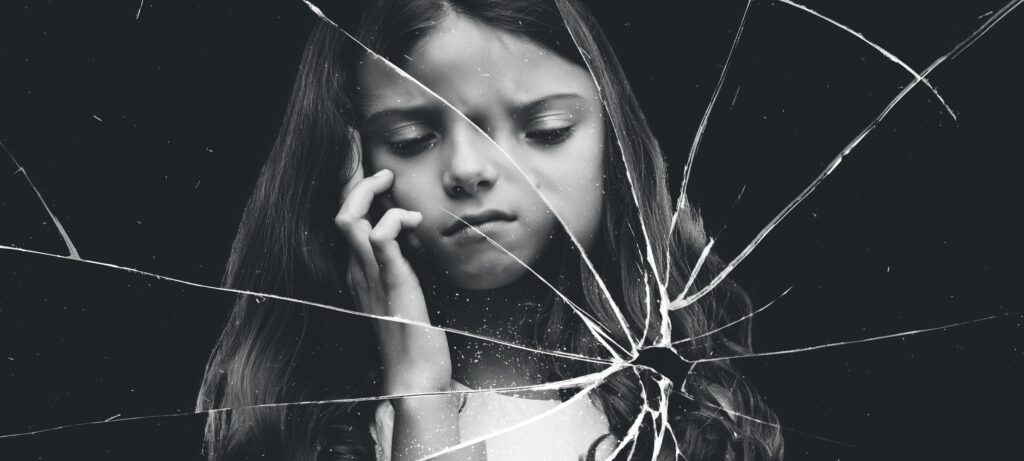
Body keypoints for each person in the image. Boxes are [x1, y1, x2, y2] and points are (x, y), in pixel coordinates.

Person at [196, 0, 784, 459]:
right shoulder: (308, 432)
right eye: (412, 140)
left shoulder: (696, 421)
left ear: (614, 148)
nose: (471, 170)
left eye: (546, 129)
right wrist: (420, 396)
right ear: (348, 164)